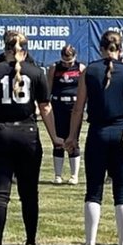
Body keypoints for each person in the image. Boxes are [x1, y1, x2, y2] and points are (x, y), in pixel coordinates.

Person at [0, 30, 59, 245]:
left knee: (0, 192)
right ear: (25, 48)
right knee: (29, 192)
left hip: (1, 132)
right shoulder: (36, 72)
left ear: (5, 48)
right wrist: (56, 137)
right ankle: (30, 241)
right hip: (27, 133)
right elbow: (45, 107)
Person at [65, 29, 123, 245]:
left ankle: (90, 243)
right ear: (121, 49)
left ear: (100, 48)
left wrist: (72, 136)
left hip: (97, 133)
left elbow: (78, 109)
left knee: (94, 190)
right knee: (122, 191)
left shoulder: (89, 71)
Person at [47, 44, 84, 185]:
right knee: (58, 140)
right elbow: (48, 88)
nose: (66, 64)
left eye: (69, 61)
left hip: (74, 107)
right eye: (64, 61)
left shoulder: (81, 69)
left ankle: (74, 175)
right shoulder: (54, 68)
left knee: (73, 139)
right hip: (57, 106)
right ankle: (58, 175)